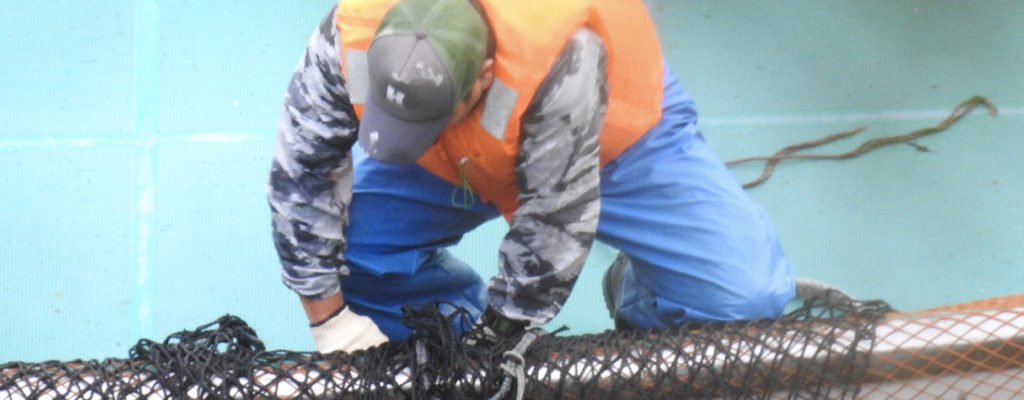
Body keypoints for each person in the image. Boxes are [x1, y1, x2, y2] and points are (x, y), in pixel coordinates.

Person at [268, 0, 794, 354]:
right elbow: (301, 171)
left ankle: (634, 295)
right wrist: (329, 322)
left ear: (487, 77)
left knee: (743, 303)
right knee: (351, 257)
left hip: (611, 138)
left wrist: (496, 343)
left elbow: (554, 222)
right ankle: (447, 333)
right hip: (453, 156)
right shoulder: (350, 34)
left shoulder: (560, 55)